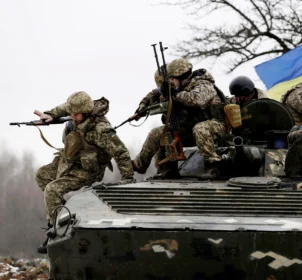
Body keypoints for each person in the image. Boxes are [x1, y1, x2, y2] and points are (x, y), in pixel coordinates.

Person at [35, 91, 134, 251]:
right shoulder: (78, 109)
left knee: (51, 190)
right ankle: (62, 213)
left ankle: (56, 233)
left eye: (75, 115)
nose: (72, 117)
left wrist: (128, 179)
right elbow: (65, 108)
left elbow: (121, 152)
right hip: (71, 162)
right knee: (41, 175)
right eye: (71, 113)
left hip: (88, 170)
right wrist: (50, 114)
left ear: (86, 113)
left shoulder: (101, 130)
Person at [133, 58, 226, 180]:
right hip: (189, 130)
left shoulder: (203, 83)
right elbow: (155, 94)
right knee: (159, 132)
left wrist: (175, 95)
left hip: (215, 128)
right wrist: (143, 107)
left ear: (182, 77)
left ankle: (213, 166)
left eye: (172, 79)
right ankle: (167, 168)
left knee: (200, 128)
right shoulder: (178, 88)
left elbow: (196, 98)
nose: (170, 82)